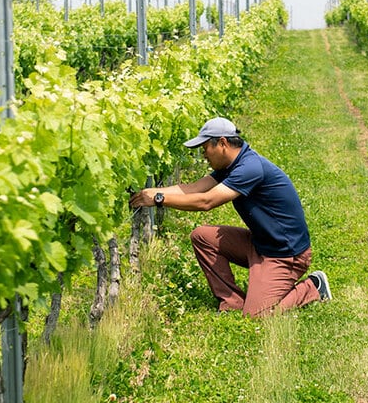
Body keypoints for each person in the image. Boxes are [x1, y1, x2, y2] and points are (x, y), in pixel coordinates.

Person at [130, 117, 331, 316]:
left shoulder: (249, 168)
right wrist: (150, 192)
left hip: (285, 254)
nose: (203, 154)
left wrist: (158, 199)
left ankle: (314, 286)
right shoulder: (230, 166)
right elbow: (193, 189)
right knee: (202, 236)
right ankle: (232, 302)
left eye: (205, 147)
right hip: (261, 244)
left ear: (223, 143)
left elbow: (205, 202)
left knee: (258, 315)